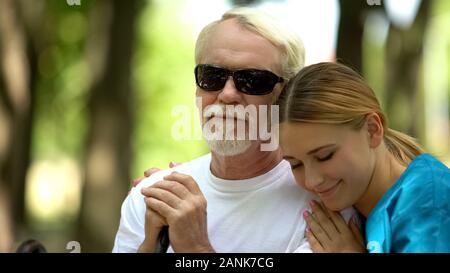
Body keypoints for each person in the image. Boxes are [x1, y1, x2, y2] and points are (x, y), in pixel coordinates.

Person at [113, 7, 356, 253]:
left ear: (286, 96)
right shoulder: (152, 196)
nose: (227, 95)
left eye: (252, 80)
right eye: (212, 76)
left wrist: (195, 248)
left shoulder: (326, 199)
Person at [277, 61, 450, 253]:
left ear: (372, 129)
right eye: (295, 164)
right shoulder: (355, 202)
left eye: (325, 156)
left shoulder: (429, 201)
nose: (312, 180)